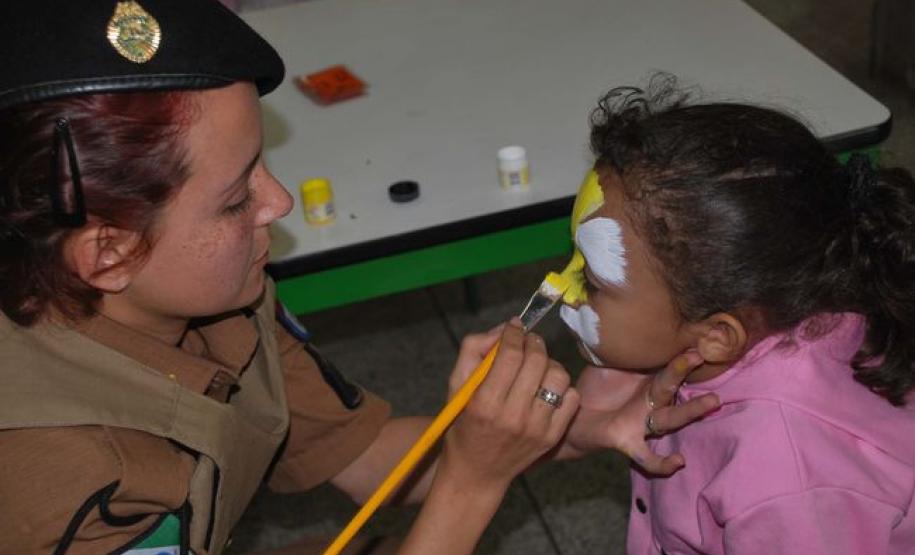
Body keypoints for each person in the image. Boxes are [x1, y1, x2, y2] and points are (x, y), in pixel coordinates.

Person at [0, 3, 717, 554]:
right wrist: (472, 481)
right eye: (233, 198)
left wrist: (569, 427)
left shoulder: (209, 302)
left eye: (259, 165)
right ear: (108, 254)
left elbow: (362, 455)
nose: (275, 204)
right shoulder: (56, 477)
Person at [559, 74, 915, 554]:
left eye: (594, 281)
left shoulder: (783, 480)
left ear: (717, 336)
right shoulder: (787, 301)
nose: (559, 285)